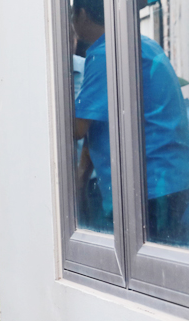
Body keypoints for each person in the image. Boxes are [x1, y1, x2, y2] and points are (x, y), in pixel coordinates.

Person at [72, 0, 189, 246]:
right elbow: (104, 122)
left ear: (82, 15)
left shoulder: (104, 53)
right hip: (170, 179)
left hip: (148, 186)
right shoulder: (144, 44)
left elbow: (77, 128)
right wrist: (82, 176)